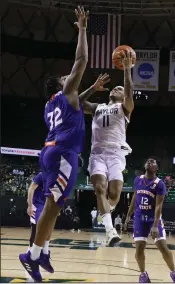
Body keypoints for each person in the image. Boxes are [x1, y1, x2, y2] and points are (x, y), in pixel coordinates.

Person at [19, 6, 88, 282]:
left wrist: (92, 90)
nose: (67, 77)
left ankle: (43, 251)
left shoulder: (51, 106)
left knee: (54, 205)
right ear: (59, 86)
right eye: (64, 78)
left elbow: (78, 100)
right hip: (63, 153)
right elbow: (81, 59)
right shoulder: (66, 93)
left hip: (49, 151)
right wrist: (82, 29)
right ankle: (33, 255)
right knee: (53, 205)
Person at [79, 52, 134, 246]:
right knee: (99, 188)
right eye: (115, 88)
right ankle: (110, 231)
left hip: (116, 153)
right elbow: (76, 102)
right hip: (97, 153)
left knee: (115, 194)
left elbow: (128, 93)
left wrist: (127, 70)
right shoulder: (97, 107)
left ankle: (105, 212)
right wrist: (93, 88)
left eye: (119, 89)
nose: (116, 89)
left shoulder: (125, 108)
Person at [124, 157, 175, 283]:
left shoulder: (159, 183)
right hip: (139, 218)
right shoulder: (137, 180)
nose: (150, 162)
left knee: (163, 247)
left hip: (153, 218)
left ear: (156, 168)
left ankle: (174, 272)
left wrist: (155, 225)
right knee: (139, 248)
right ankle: (143, 274)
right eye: (148, 161)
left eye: (153, 162)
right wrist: (128, 216)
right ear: (145, 165)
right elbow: (135, 198)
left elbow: (158, 206)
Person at [26, 172, 53, 282]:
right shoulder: (42, 175)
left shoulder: (56, 176)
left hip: (45, 206)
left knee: (46, 231)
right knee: (36, 232)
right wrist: (29, 205)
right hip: (36, 206)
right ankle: (31, 259)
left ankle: (42, 255)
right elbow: (31, 189)